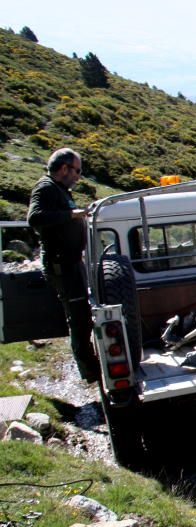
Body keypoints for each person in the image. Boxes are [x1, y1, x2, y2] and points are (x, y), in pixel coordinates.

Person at [27, 148, 101, 382]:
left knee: (82, 315)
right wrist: (72, 215)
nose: (78, 176)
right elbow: (35, 217)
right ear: (63, 168)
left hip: (71, 262)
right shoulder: (45, 187)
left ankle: (90, 365)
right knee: (78, 317)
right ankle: (90, 372)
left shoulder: (59, 190)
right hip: (62, 265)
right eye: (77, 171)